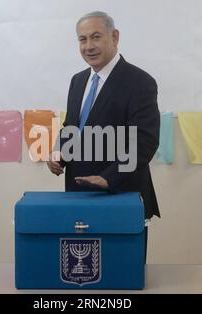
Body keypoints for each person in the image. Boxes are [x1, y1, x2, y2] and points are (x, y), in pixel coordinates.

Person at [47, 11, 160, 257]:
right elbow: (72, 127)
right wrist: (59, 154)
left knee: (122, 273)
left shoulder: (140, 82)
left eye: (96, 37)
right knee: (83, 270)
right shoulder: (78, 81)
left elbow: (145, 141)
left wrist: (109, 177)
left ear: (115, 37)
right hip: (79, 193)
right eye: (82, 39)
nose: (89, 46)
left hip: (122, 192)